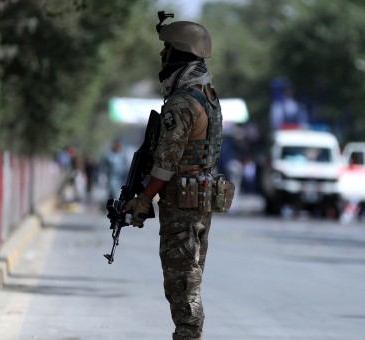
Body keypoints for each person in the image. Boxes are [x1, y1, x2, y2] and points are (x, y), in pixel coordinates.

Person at [122, 15, 223, 340]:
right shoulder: (207, 96)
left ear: (180, 53)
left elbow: (166, 162)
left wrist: (142, 197)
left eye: (167, 49)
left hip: (182, 207)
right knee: (188, 280)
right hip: (197, 203)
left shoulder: (181, 103)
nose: (162, 56)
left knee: (182, 285)